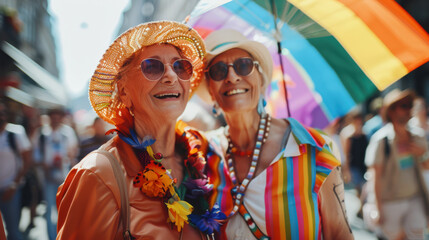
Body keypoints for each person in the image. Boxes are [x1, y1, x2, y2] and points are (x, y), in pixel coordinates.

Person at [56, 21, 225, 239]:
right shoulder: (97, 174)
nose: (171, 76)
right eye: (152, 67)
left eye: (180, 66)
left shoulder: (200, 152)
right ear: (124, 92)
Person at [201, 29, 353, 239]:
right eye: (218, 71)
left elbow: (339, 235)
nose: (232, 76)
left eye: (243, 65)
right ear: (210, 89)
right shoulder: (203, 153)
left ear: (262, 80)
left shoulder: (311, 148)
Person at [365, 88, 429, 240]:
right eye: (404, 106)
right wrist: (377, 208)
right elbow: (376, 176)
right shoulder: (381, 140)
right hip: (390, 203)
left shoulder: (418, 136)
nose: (409, 109)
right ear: (391, 111)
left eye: (409, 105)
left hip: (415, 199)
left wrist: (422, 155)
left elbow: (426, 167)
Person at [32, 108, 78, 240]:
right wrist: (42, 164)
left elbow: (73, 152)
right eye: (53, 117)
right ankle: (52, 237)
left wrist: (66, 160)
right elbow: (35, 154)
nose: (55, 120)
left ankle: (63, 235)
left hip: (64, 177)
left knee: (64, 209)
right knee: (49, 210)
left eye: (58, 118)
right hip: (46, 177)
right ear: (50, 118)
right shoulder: (41, 134)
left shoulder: (68, 133)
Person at [0, 101, 31, 240]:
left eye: (2, 113)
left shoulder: (16, 133)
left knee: (13, 232)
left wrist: (14, 185)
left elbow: (27, 161)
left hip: (10, 190)